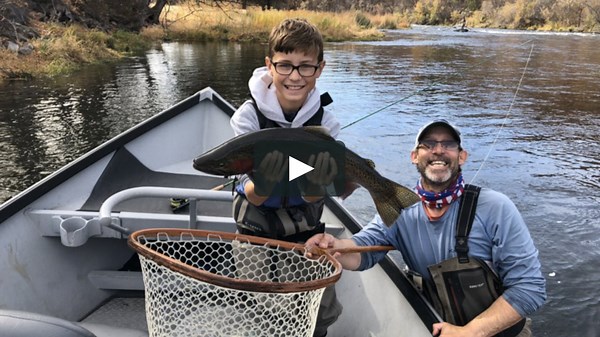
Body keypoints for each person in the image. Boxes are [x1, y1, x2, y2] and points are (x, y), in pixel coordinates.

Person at [306, 120, 546, 337]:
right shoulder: (401, 210)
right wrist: (334, 246)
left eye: (448, 144)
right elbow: (364, 248)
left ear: (462, 156)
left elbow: (530, 289)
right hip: (434, 326)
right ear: (414, 156)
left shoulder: (496, 207)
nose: (438, 150)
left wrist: (471, 332)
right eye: (428, 144)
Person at [229, 18, 341, 337]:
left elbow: (314, 195)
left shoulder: (327, 123)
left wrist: (313, 181)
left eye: (305, 67)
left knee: (318, 315)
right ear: (269, 65)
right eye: (285, 65)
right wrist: (270, 179)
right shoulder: (247, 118)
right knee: (260, 313)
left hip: (306, 229)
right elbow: (253, 193)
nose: (295, 76)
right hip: (256, 227)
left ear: (319, 69)